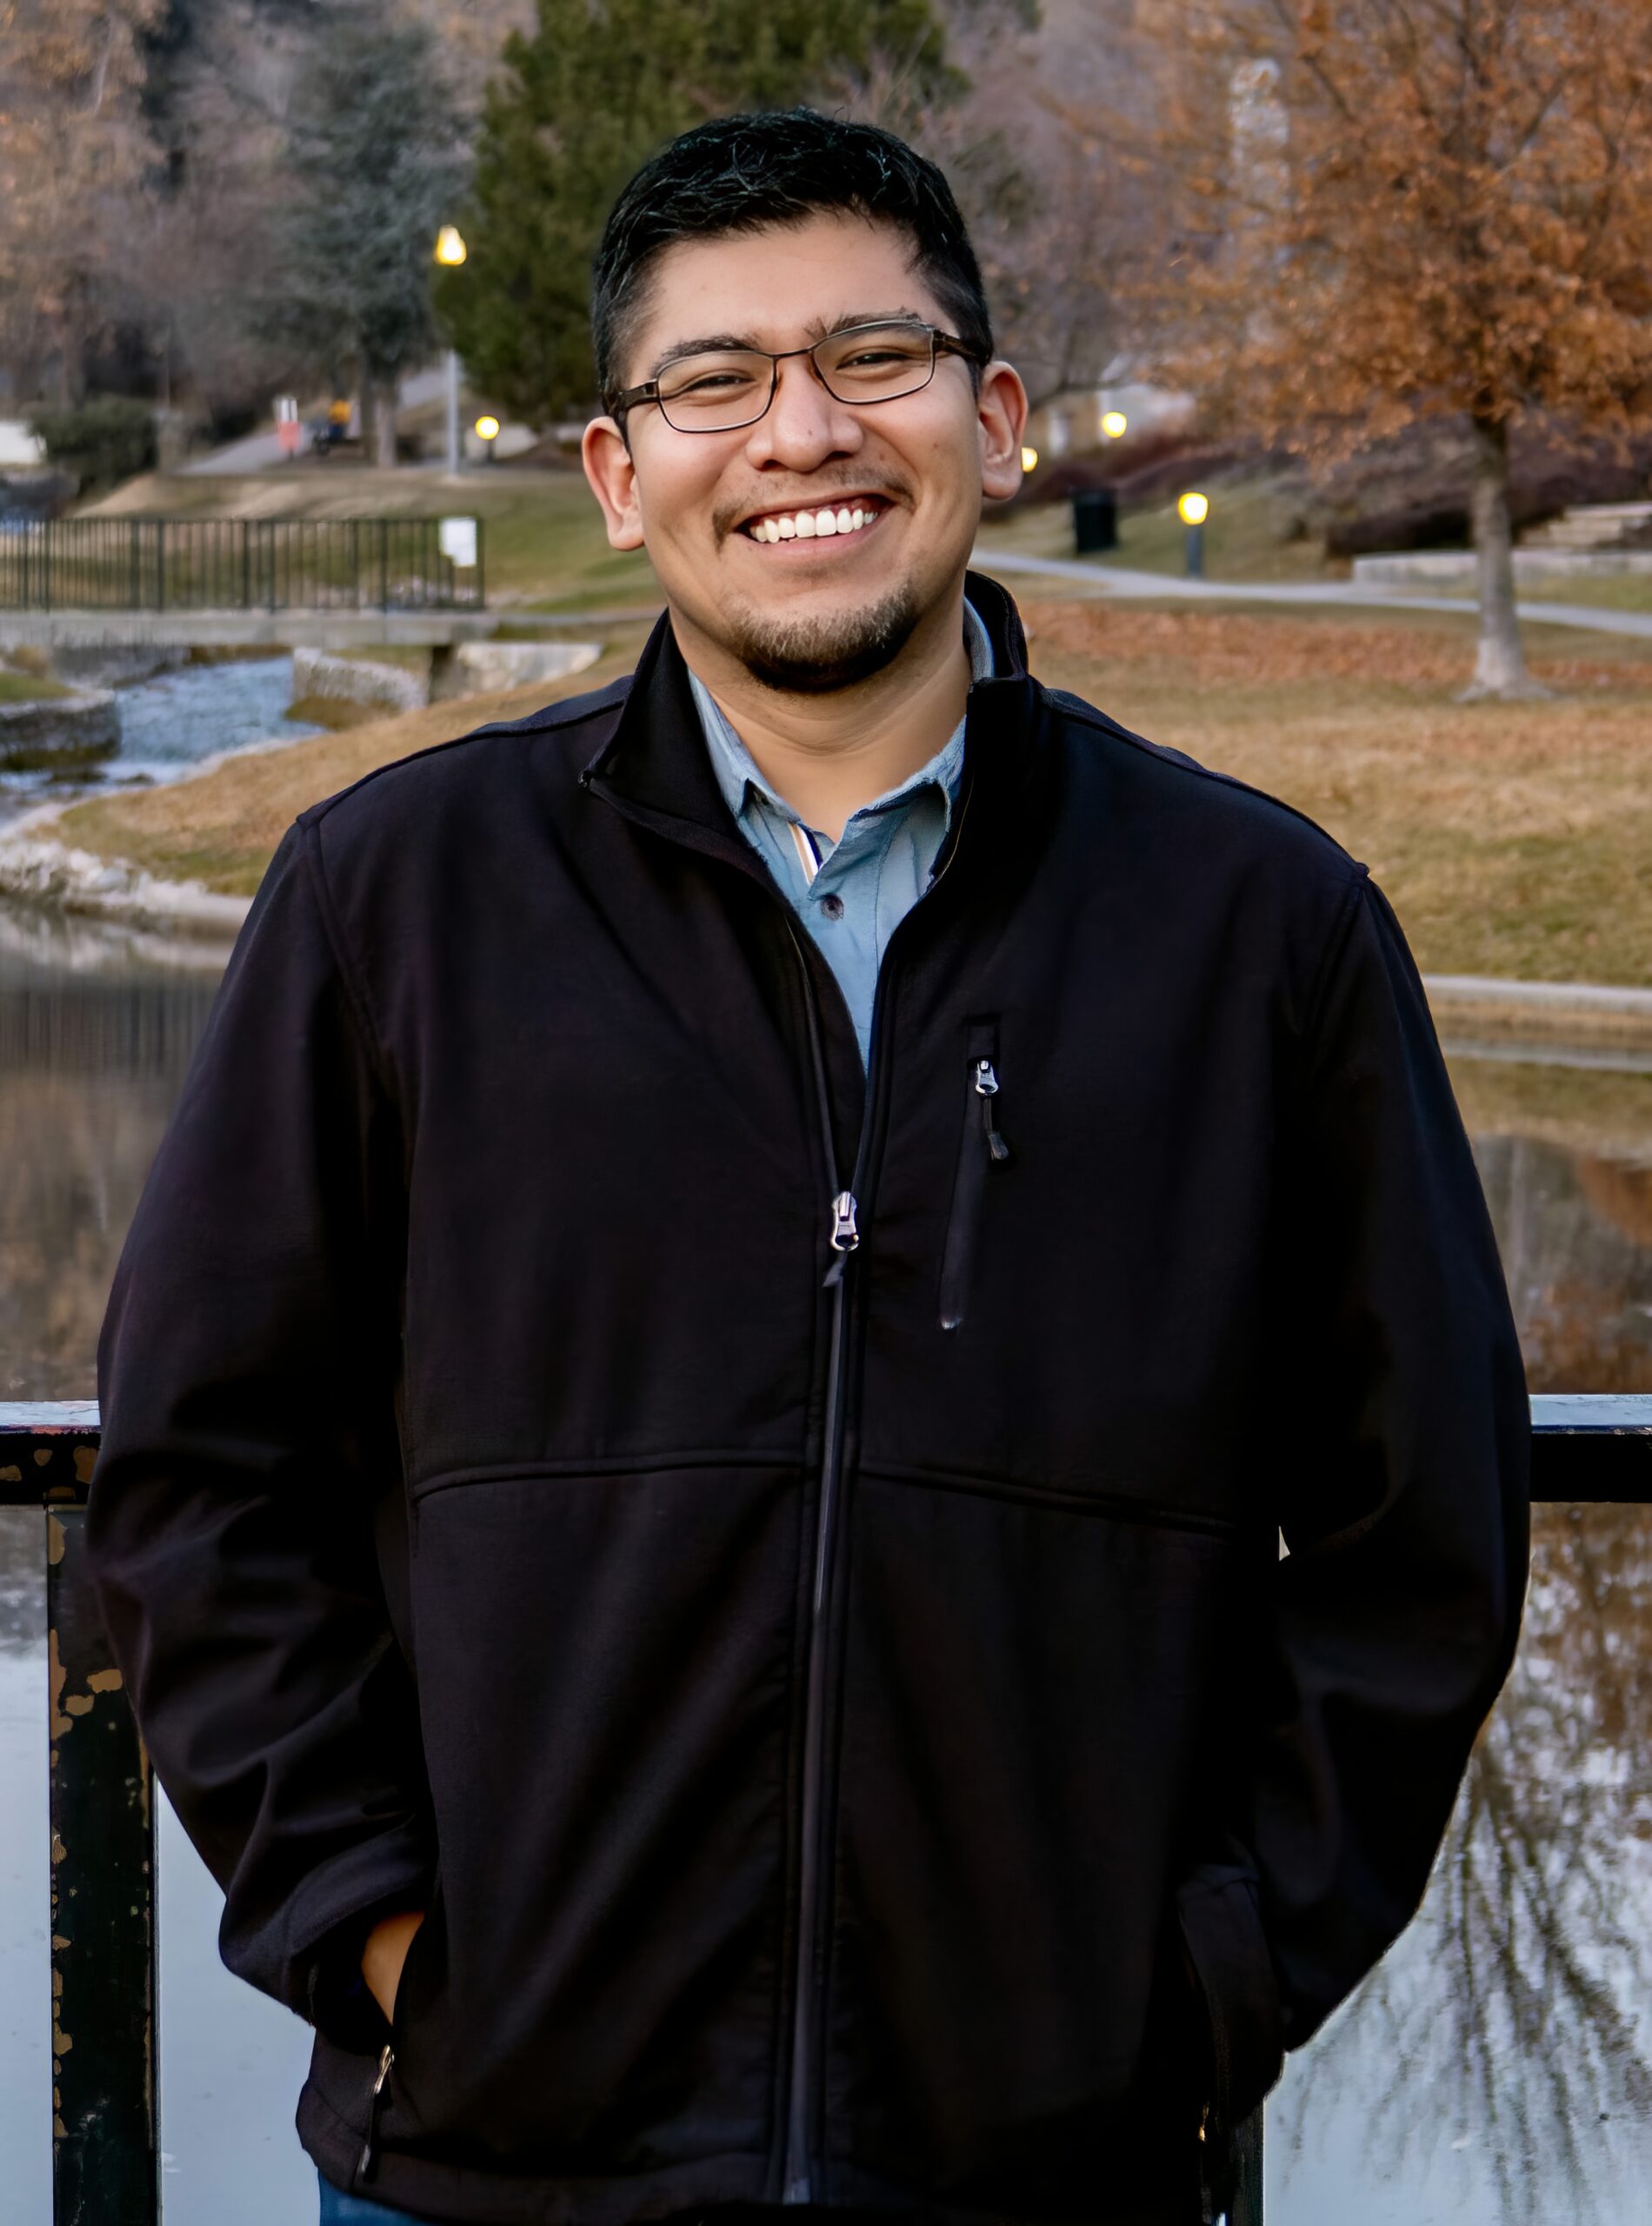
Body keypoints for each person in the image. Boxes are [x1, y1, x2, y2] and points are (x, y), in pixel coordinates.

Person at [87, 109, 1530, 2226]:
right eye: (712, 379)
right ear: (615, 466)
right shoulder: (393, 904)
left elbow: (1422, 1535)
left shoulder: (1260, 932)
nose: (798, 433)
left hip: (1052, 2167)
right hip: (492, 2166)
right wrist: (386, 1938)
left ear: (992, 416)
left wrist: (1205, 1986)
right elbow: (203, 1478)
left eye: (871, 357)